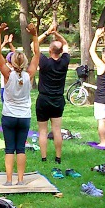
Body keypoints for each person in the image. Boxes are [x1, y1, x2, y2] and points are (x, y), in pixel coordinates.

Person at [0, 23, 40, 185]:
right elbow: (37, 54)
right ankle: (20, 180)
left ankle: (8, 180)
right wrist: (34, 35)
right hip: (24, 117)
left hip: (8, 116)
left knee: (9, 149)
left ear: (12, 62)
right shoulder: (29, 75)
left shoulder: (7, 75)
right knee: (20, 148)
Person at [34, 22, 70, 164]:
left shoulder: (44, 62)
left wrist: (48, 32)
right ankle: (58, 157)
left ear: (50, 51)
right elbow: (65, 44)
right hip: (57, 100)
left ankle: (43, 158)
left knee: (43, 130)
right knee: (56, 129)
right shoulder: (65, 61)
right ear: (60, 52)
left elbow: (34, 45)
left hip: (43, 99)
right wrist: (57, 34)